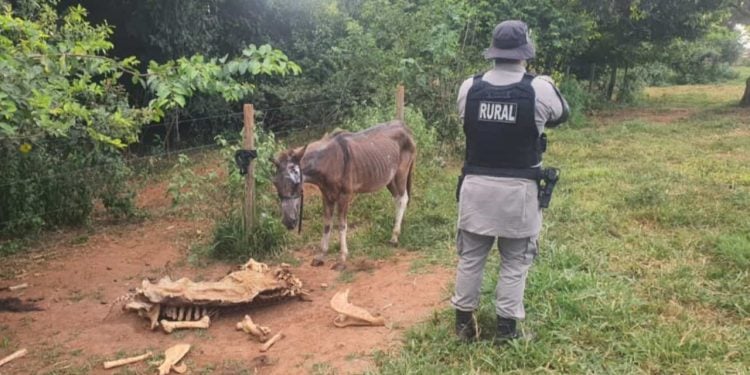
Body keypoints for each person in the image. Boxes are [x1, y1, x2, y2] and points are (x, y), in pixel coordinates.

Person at [453, 20, 569, 342]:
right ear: (524, 53)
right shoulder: (539, 88)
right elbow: (562, 115)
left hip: (475, 189)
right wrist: (546, 83)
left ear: (494, 52)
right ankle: (507, 331)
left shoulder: (469, 87)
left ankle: (463, 326)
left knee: (471, 258)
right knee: (515, 261)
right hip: (519, 193)